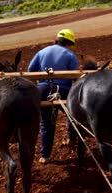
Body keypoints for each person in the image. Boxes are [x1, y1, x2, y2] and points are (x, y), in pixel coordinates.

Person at [28, 29, 79, 164]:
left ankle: (45, 156)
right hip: (64, 90)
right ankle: (72, 139)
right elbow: (75, 77)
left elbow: (30, 71)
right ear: (69, 43)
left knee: (47, 123)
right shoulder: (70, 55)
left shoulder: (42, 52)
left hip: (44, 90)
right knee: (72, 115)